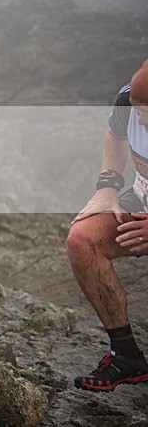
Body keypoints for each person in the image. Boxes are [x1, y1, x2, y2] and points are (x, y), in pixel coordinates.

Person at [66, 57, 148, 392]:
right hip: (143, 200)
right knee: (82, 240)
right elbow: (115, 135)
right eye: (136, 109)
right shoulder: (127, 102)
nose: (139, 119)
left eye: (147, 112)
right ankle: (126, 355)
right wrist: (107, 186)